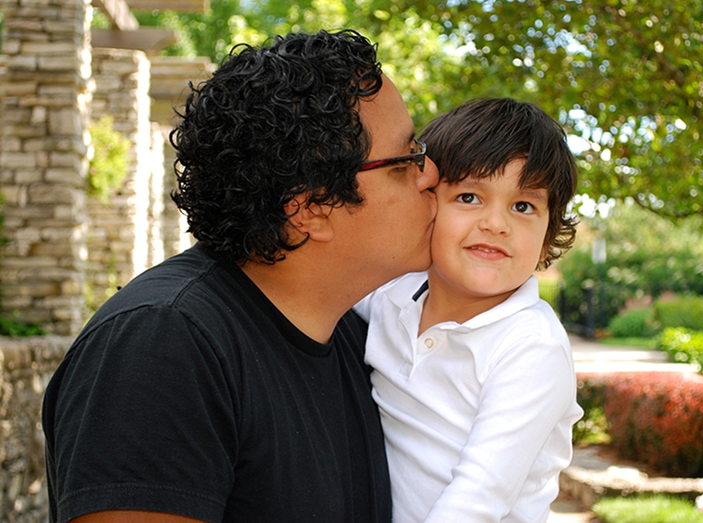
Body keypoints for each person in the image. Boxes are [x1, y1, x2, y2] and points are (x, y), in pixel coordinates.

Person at [42, 29, 438, 523]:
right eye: (406, 160)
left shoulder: (358, 340)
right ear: (310, 207)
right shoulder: (162, 346)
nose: (433, 174)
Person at [354, 98, 584, 523]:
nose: (496, 223)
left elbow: (478, 499)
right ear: (426, 204)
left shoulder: (531, 346)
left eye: (523, 206)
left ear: (548, 235)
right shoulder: (390, 297)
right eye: (469, 196)